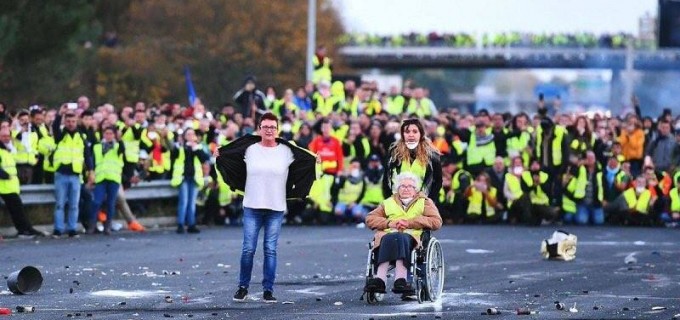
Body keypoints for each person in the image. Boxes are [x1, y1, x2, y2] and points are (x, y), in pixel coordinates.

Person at [215, 112, 316, 303]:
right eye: (265, 127)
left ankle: (268, 290)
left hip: (276, 207)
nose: (269, 130)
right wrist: (221, 154)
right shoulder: (250, 149)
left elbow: (304, 159)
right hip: (252, 206)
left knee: (270, 249)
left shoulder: (287, 151)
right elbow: (231, 156)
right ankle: (242, 287)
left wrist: (314, 161)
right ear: (259, 129)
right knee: (248, 249)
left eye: (273, 127)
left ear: (277, 130)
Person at [364, 172, 442, 294]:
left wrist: (409, 223)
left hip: (412, 236)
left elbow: (436, 221)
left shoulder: (424, 202)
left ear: (415, 189)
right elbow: (370, 219)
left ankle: (400, 278)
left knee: (400, 237)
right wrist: (389, 223)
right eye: (403, 186)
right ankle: (380, 279)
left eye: (409, 186)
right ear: (397, 189)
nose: (406, 189)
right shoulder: (388, 202)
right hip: (389, 234)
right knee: (389, 237)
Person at [52, 110, 93, 238]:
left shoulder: (81, 136)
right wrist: (60, 114)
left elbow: (87, 155)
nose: (70, 124)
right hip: (61, 174)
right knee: (60, 203)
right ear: (65, 122)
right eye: (68, 121)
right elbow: (54, 127)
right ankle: (58, 229)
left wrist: (91, 170)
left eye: (73, 121)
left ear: (77, 122)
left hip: (75, 175)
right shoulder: (60, 135)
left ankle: (72, 228)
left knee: (74, 205)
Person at [0, 127, 45, 238]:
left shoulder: (9, 148)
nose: (6, 138)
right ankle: (25, 229)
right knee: (17, 209)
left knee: (17, 210)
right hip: (4, 185)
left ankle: (25, 229)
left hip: (9, 186)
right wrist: (5, 175)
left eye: (7, 136)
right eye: (3, 136)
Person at [383, 119, 442, 201]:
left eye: (415, 132)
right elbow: (386, 179)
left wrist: (428, 201)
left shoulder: (432, 156)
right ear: (402, 135)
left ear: (421, 134)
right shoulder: (394, 153)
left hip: (421, 204)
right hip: (396, 203)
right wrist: (390, 200)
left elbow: (438, 181)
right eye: (407, 132)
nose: (411, 135)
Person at [170, 128, 210, 234]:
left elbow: (205, 158)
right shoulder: (180, 147)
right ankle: (181, 224)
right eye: (188, 134)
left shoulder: (198, 147)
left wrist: (195, 148)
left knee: (192, 202)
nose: (191, 136)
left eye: (192, 134)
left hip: (194, 177)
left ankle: (191, 224)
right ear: (184, 136)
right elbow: (173, 155)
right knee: (184, 201)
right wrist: (181, 145)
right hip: (183, 177)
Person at [87, 127, 125, 235]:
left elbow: (122, 149)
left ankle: (107, 226)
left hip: (113, 177)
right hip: (101, 177)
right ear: (103, 134)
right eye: (106, 133)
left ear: (113, 135)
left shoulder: (117, 146)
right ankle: (92, 225)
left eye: (110, 134)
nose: (108, 136)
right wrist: (91, 175)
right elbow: (93, 161)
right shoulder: (97, 147)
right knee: (96, 202)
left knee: (110, 203)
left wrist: (120, 139)